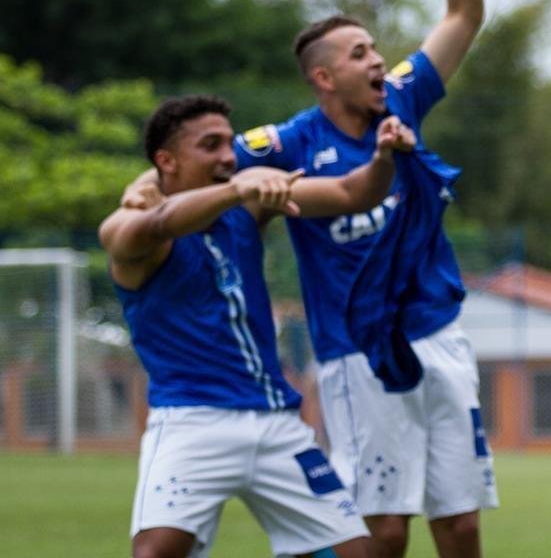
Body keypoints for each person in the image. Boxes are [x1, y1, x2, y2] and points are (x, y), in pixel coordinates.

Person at [228, 0, 491, 558]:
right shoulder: (284, 144)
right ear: (322, 78)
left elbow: (464, 14)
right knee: (382, 530)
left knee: (462, 524)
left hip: (438, 334)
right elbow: (205, 167)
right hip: (356, 352)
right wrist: (148, 187)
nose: (377, 60)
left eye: (375, 49)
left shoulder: (402, 97)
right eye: (358, 54)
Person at [100, 94, 413, 558]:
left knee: (356, 552)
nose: (229, 157)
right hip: (192, 422)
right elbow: (153, 224)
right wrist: (236, 188)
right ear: (166, 161)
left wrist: (385, 158)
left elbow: (353, 193)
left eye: (230, 144)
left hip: (277, 424)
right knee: (155, 553)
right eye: (211, 146)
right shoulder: (135, 224)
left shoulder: (244, 211)